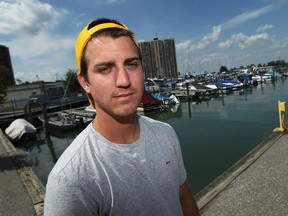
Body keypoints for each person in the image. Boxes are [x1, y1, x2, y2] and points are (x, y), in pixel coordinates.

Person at [44, 18, 199, 216]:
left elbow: (184, 198)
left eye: (131, 64)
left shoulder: (166, 134)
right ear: (85, 82)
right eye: (105, 69)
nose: (124, 80)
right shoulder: (70, 180)